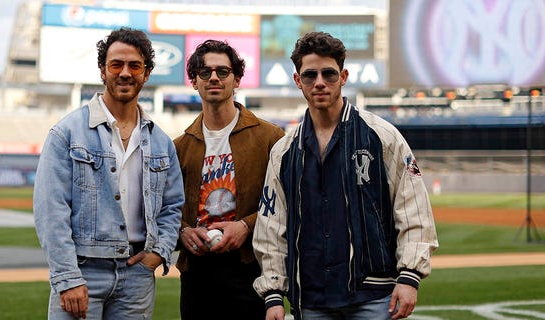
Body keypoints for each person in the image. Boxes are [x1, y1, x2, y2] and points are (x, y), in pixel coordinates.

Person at [252, 32, 439, 320]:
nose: (319, 82)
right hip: (312, 297)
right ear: (297, 81)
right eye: (309, 75)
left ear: (344, 76)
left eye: (328, 73)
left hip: (373, 295)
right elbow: (271, 228)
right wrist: (273, 293)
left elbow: (413, 207)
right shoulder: (284, 152)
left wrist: (409, 274)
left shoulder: (382, 136)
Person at [33, 27, 184, 320]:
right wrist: (68, 278)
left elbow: (173, 207)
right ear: (103, 70)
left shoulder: (161, 142)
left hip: (137, 275)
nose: (125, 73)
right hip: (83, 271)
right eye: (116, 64)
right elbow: (51, 210)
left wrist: (158, 254)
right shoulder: (67, 133)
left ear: (147, 73)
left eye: (135, 66)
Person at [174, 39, 284, 320]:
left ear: (236, 79)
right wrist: (184, 231)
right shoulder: (180, 146)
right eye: (204, 72)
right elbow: (164, 209)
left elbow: (288, 205)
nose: (213, 77)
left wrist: (246, 227)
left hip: (250, 265)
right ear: (194, 82)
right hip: (197, 271)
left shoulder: (270, 137)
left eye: (223, 72)